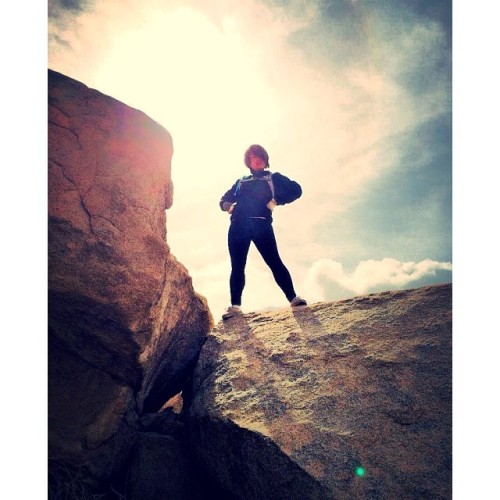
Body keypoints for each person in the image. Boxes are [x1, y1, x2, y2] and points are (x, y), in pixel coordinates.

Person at [219, 144, 307, 320]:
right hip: (238, 227)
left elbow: (296, 190)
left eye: (260, 158)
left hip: (261, 226)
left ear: (265, 161)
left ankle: (293, 298)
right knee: (237, 266)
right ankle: (235, 306)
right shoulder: (241, 181)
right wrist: (230, 207)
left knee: (274, 262)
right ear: (248, 162)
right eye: (253, 158)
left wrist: (276, 201)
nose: (257, 160)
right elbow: (223, 200)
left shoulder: (273, 178)